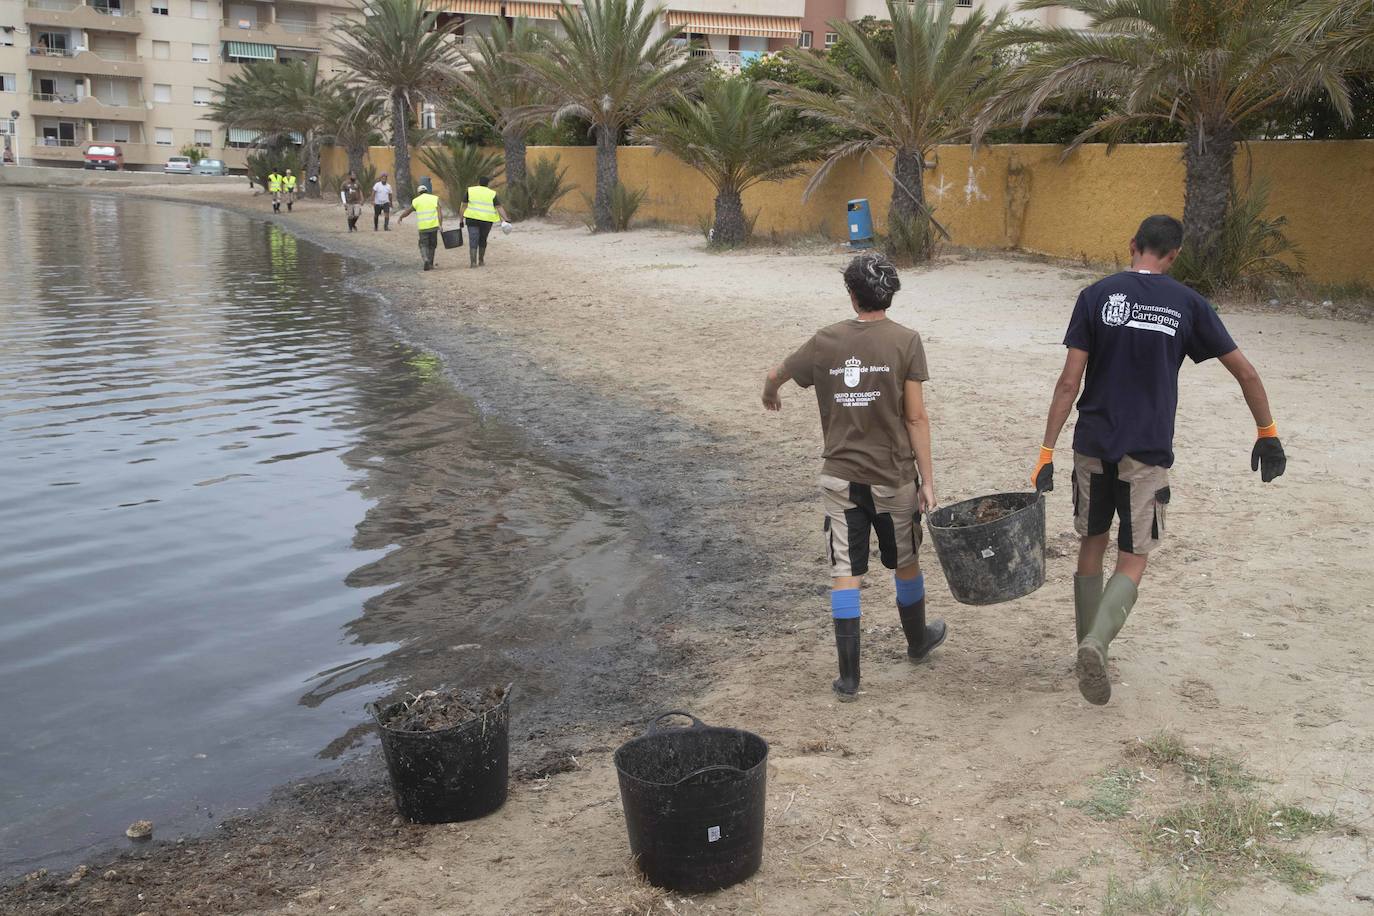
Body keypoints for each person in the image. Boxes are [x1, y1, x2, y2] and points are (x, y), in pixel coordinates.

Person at [1031, 214, 1286, 706]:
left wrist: (1045, 452)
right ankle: (1097, 644)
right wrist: (1266, 432)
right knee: (1135, 553)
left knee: (1092, 541)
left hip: (1092, 443)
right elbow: (1247, 374)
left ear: (1132, 246)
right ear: (1173, 256)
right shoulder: (1189, 303)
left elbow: (1069, 382)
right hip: (1146, 451)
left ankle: (1086, 645)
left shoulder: (1094, 295)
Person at [761, 252, 943, 700]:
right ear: (891, 294)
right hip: (893, 478)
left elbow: (777, 373)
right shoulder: (906, 342)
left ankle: (849, 678)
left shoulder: (825, 341)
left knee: (845, 569)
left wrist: (770, 393)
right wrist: (928, 481)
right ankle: (918, 643)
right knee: (905, 560)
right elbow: (916, 418)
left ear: (850, 293)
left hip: (839, 478)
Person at [459, 176, 512, 269]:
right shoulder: (491, 193)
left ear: (478, 182)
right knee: (483, 239)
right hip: (487, 221)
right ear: (488, 184)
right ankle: (481, 260)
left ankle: (473, 262)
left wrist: (461, 220)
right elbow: (499, 207)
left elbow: (463, 206)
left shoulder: (470, 190)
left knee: (473, 239)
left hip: (472, 219)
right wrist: (506, 218)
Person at [394, 180, 443, 271]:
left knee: (423, 245)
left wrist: (401, 217)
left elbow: (408, 211)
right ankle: (431, 263)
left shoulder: (416, 201)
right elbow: (440, 213)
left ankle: (425, 259)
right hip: (433, 227)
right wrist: (440, 224)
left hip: (423, 228)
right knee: (432, 245)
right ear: (427, 191)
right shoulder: (434, 198)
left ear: (419, 192)